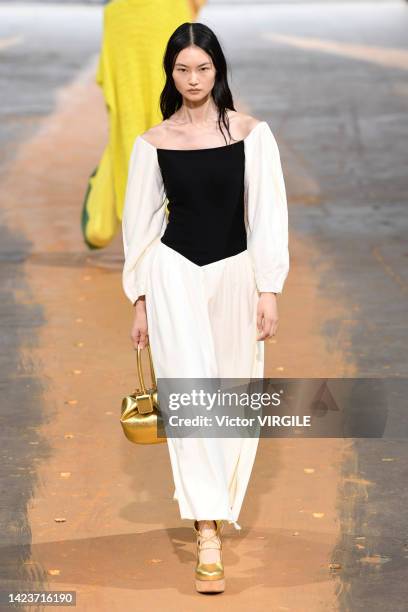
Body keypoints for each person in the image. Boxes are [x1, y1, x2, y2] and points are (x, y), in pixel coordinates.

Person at [121, 22, 289, 594]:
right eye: (182, 69)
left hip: (237, 274)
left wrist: (269, 288)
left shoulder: (251, 134)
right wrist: (140, 300)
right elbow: (140, 230)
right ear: (170, 73)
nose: (193, 80)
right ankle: (207, 531)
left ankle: (216, 506)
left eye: (203, 68)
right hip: (174, 278)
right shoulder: (153, 143)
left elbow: (268, 214)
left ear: (219, 70)